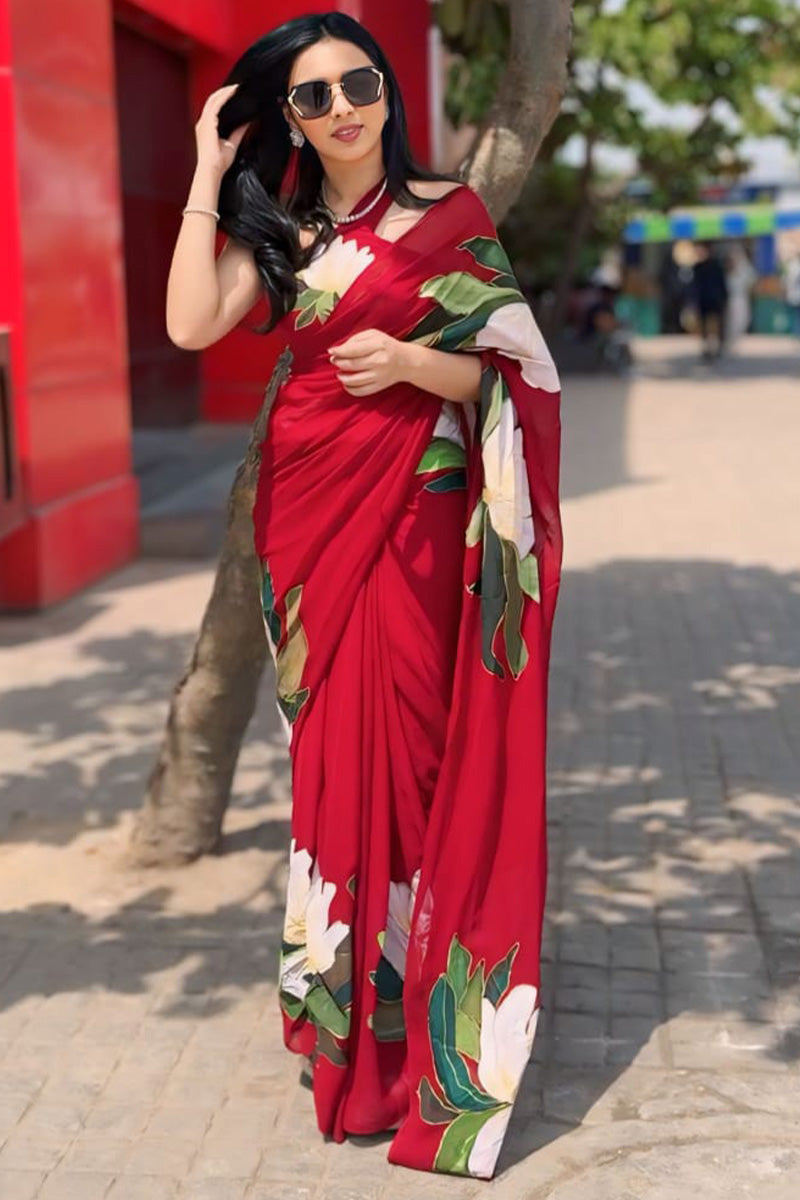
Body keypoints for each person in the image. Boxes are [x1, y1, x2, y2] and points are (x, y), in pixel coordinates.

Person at [166, 10, 563, 1181]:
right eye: (313, 98)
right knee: (334, 769)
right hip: (308, 526)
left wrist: (408, 363)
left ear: (388, 90)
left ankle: (429, 1027)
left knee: (426, 760)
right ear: (287, 117)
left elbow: (516, 372)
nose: (342, 110)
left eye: (358, 85)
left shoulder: (450, 218)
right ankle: (356, 1037)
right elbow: (191, 323)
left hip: (421, 526)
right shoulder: (281, 230)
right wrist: (206, 167)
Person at [691, 241, 729, 360]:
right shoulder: (698, 267)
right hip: (703, 299)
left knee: (716, 324)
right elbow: (694, 286)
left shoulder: (716, 265)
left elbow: (722, 283)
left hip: (715, 299)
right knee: (704, 325)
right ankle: (707, 347)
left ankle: (717, 347)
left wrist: (724, 297)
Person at [724, 244, 756, 349]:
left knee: (742, 319)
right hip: (730, 298)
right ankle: (728, 340)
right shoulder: (728, 269)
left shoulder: (745, 269)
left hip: (740, 298)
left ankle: (734, 339)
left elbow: (750, 282)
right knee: (730, 321)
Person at [783, 250, 800, 337]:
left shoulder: (792, 266)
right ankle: (795, 333)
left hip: (794, 294)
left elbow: (786, 280)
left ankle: (795, 333)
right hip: (794, 294)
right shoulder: (792, 265)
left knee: (794, 315)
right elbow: (787, 280)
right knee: (795, 315)